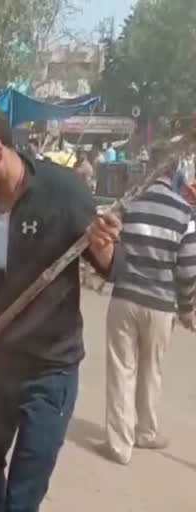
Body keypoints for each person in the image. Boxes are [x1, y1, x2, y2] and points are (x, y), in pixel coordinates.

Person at [0, 98, 122, 512]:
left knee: (23, 497)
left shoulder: (62, 193)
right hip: (4, 362)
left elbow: (112, 268)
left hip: (52, 371)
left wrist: (106, 247)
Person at [102, 147, 196, 465]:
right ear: (173, 172)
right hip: (160, 304)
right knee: (150, 370)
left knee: (121, 369)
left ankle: (119, 445)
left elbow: (109, 243)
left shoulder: (130, 205)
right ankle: (146, 431)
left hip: (124, 297)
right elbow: (188, 267)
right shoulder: (185, 212)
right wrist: (186, 308)